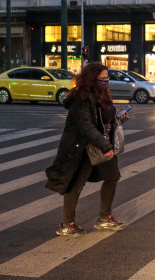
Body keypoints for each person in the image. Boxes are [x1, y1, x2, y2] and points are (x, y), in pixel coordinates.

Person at [45, 62, 127, 236]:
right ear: (92, 79)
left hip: (100, 144)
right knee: (76, 184)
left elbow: (104, 121)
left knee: (112, 177)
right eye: (102, 78)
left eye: (107, 78)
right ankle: (67, 224)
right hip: (83, 147)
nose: (106, 81)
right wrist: (105, 146)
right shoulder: (81, 98)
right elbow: (86, 126)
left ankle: (104, 219)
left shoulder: (102, 95)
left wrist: (119, 118)